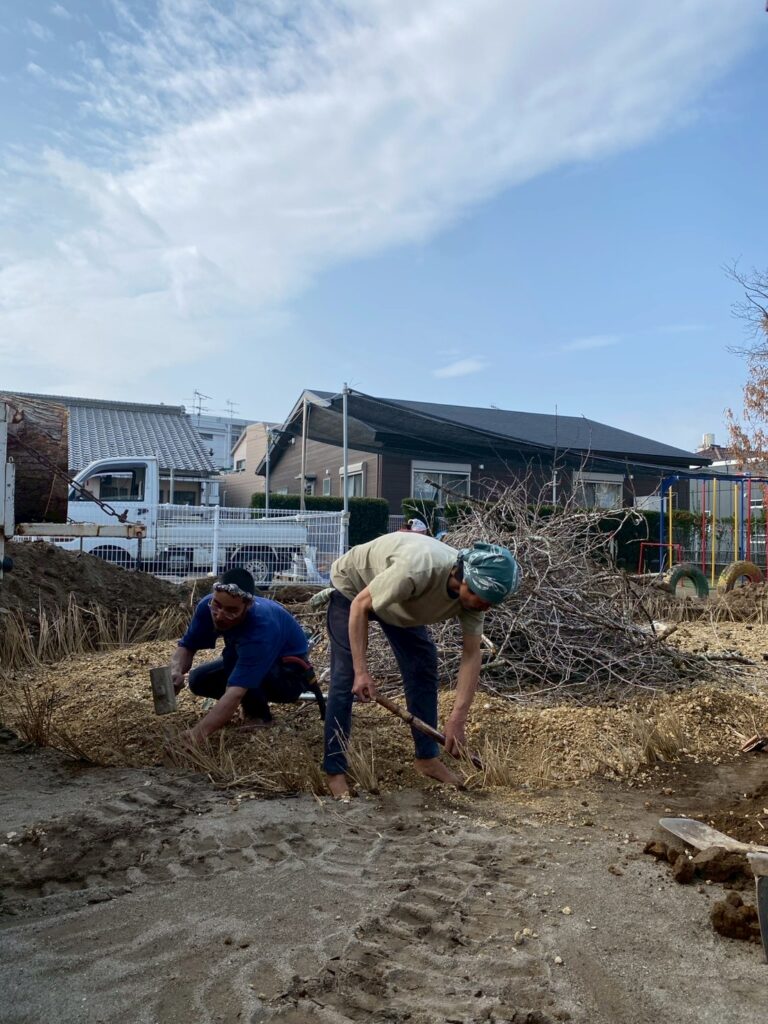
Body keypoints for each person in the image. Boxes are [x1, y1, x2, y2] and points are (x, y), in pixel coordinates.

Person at [323, 534, 520, 799]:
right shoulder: (417, 570)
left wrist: (457, 719)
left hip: (399, 601)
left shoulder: (476, 598)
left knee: (422, 665)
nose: (484, 608)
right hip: (354, 588)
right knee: (345, 678)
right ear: (466, 580)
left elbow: (472, 654)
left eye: (490, 604)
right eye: (483, 600)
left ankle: (427, 758)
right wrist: (361, 671)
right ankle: (334, 771)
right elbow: (360, 604)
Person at [171, 568, 323, 744]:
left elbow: (236, 691)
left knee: (232, 658)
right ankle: (246, 704)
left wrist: (197, 734)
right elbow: (187, 646)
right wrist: (176, 670)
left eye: (231, 611)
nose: (220, 616)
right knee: (199, 679)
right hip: (254, 661)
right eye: (217, 606)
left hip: (288, 677)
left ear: (248, 606)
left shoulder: (261, 626)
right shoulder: (208, 607)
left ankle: (259, 716)